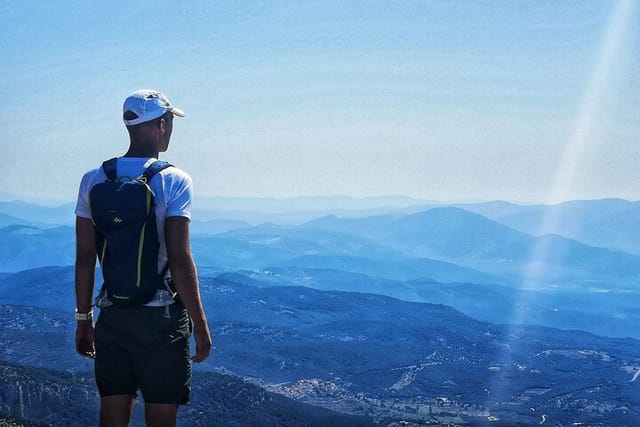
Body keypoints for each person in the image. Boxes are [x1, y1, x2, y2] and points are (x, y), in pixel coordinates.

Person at [74, 89, 212, 427]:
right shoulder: (174, 181)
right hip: (161, 321)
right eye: (169, 121)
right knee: (161, 418)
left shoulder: (93, 180)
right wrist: (201, 325)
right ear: (161, 125)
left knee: (112, 418)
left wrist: (83, 320)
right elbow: (179, 259)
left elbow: (84, 256)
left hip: (113, 316)